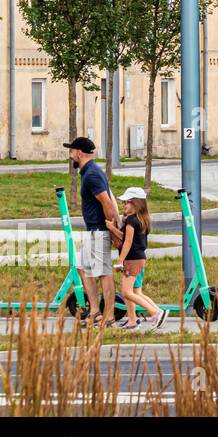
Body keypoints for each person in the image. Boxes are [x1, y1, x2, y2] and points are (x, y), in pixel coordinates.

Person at [66, 137, 118, 328]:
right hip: (92, 231)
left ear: (79, 152)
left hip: (99, 230)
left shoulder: (92, 175)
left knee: (104, 272)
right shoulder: (88, 172)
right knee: (82, 267)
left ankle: (109, 315)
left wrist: (111, 228)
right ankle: (95, 310)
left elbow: (107, 202)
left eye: (71, 151)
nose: (70, 155)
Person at [113, 187, 167, 332]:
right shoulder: (141, 219)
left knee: (126, 292)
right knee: (137, 292)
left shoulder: (131, 221)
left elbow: (127, 242)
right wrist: (113, 229)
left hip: (132, 260)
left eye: (127, 202)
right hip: (140, 258)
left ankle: (155, 313)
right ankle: (158, 311)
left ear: (136, 203)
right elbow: (126, 238)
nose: (124, 205)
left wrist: (120, 260)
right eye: (123, 203)